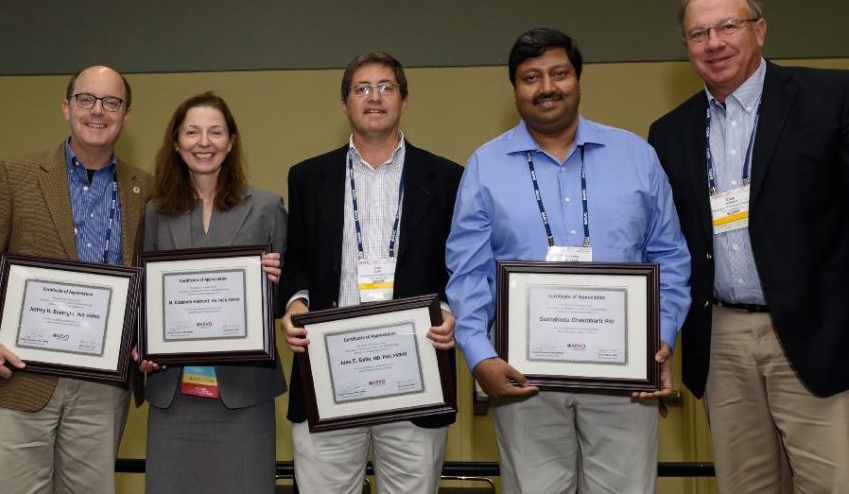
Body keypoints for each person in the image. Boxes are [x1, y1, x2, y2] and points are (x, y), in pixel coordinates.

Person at [446, 28, 691, 494]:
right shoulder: (485, 165)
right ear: (515, 89)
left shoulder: (637, 156)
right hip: (523, 378)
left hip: (624, 375)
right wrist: (479, 357)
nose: (546, 87)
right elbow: (469, 272)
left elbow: (669, 257)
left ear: (578, 79)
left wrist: (659, 339)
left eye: (558, 73)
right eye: (530, 77)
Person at [648, 0, 849, 493]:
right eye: (699, 33)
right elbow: (665, 244)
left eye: (727, 27)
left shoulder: (831, 97)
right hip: (722, 337)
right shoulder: (669, 132)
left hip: (816, 332)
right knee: (745, 486)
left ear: (759, 29)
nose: (714, 42)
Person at [279, 51, 461, 494]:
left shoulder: (449, 177)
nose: (374, 97)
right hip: (329, 371)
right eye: (362, 88)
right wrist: (295, 304)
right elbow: (296, 257)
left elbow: (461, 265)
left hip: (415, 371)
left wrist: (455, 309)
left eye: (386, 87)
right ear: (345, 103)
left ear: (404, 101)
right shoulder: (307, 177)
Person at [0, 65, 153, 494]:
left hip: (102, 387)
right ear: (66, 107)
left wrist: (149, 335)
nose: (98, 111)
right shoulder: (15, 175)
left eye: (112, 102)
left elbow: (150, 281)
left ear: (126, 115)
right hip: (19, 375)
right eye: (87, 99)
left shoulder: (146, 189)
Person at [139, 91, 286, 493]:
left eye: (215, 132)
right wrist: (142, 345)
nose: (204, 142)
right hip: (174, 396)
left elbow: (284, 305)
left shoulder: (267, 208)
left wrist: (277, 280)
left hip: (242, 398)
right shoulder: (155, 211)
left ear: (231, 141)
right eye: (192, 132)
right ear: (176, 142)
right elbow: (143, 293)